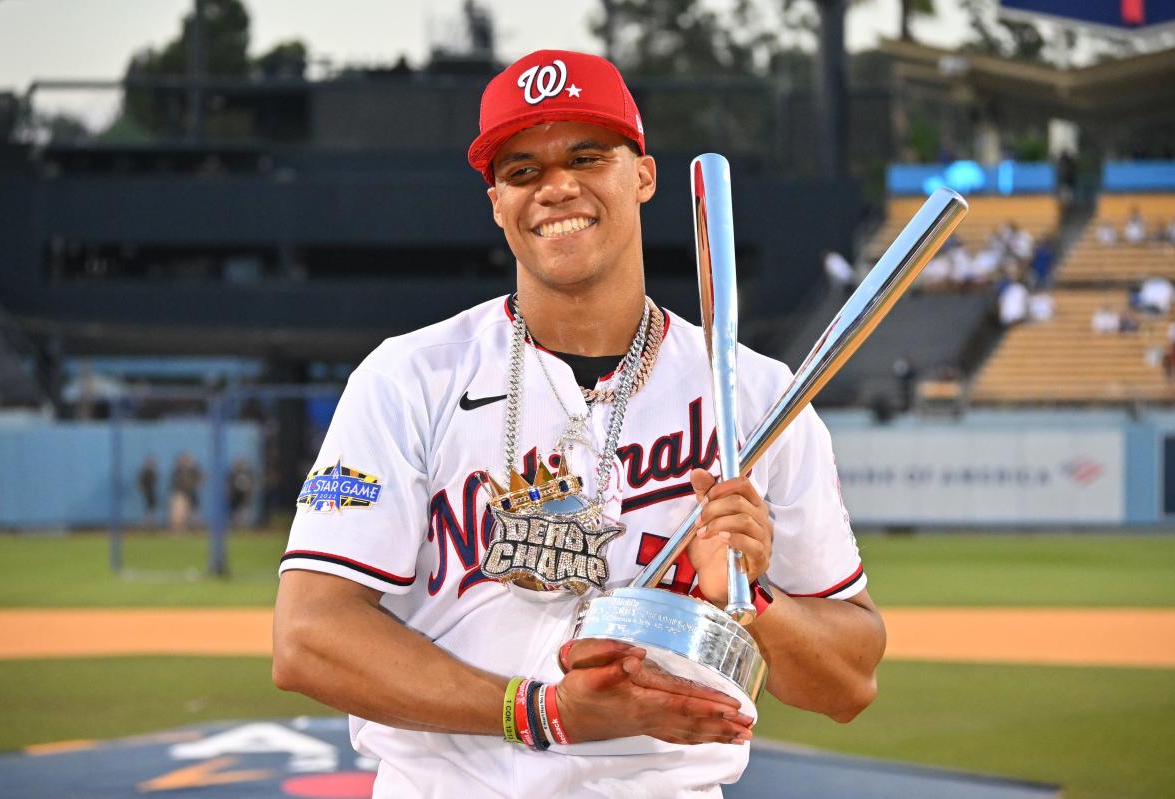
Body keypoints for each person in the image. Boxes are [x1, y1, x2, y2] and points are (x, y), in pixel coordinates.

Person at [272, 50, 884, 798]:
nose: (556, 186)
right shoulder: (410, 378)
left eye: (587, 156)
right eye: (522, 170)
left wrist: (754, 602)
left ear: (644, 175)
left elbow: (849, 681)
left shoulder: (754, 394)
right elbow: (307, 639)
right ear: (496, 201)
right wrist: (543, 711)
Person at [168, 451, 203, 531]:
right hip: (180, 494)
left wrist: (195, 484)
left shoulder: (194, 470)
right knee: (178, 513)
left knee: (194, 512)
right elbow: (174, 483)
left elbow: (201, 479)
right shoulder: (178, 470)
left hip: (191, 493)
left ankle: (194, 528)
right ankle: (178, 529)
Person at [137, 457, 159, 526]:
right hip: (147, 491)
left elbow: (154, 482)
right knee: (148, 505)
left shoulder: (153, 472)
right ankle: (147, 520)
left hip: (151, 491)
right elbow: (140, 481)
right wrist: (143, 489)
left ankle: (150, 520)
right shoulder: (144, 472)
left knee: (151, 505)